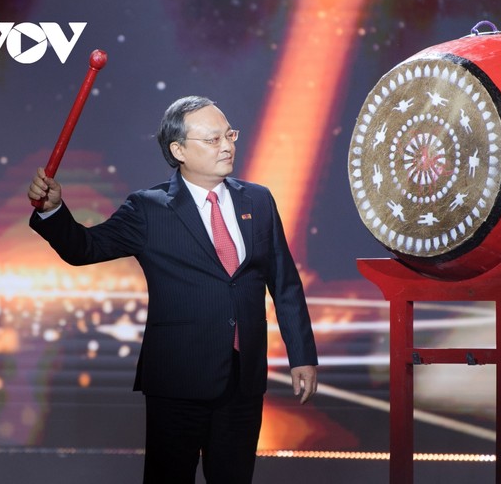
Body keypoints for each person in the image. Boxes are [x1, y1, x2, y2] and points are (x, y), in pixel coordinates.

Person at [27, 96, 318, 484]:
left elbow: (285, 284)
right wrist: (52, 210)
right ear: (178, 150)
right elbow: (84, 248)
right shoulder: (149, 209)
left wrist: (302, 355)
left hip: (242, 381)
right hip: (178, 380)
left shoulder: (259, 200)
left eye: (229, 135)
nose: (227, 146)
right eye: (212, 140)